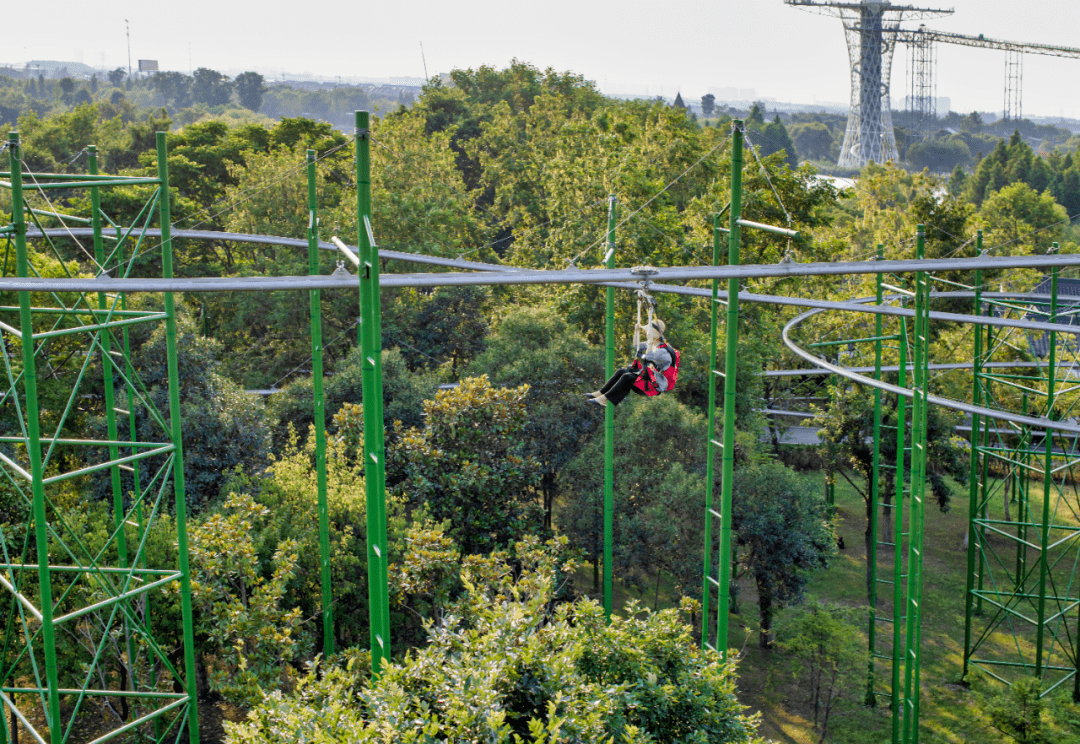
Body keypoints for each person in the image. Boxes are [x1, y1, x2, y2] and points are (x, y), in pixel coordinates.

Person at [585, 318, 679, 407]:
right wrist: (636, 331)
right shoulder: (654, 343)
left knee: (627, 377)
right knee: (621, 372)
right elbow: (636, 345)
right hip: (650, 378)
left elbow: (649, 356)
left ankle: (605, 399)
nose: (646, 332)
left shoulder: (662, 351)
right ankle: (601, 392)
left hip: (654, 386)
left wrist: (649, 341)